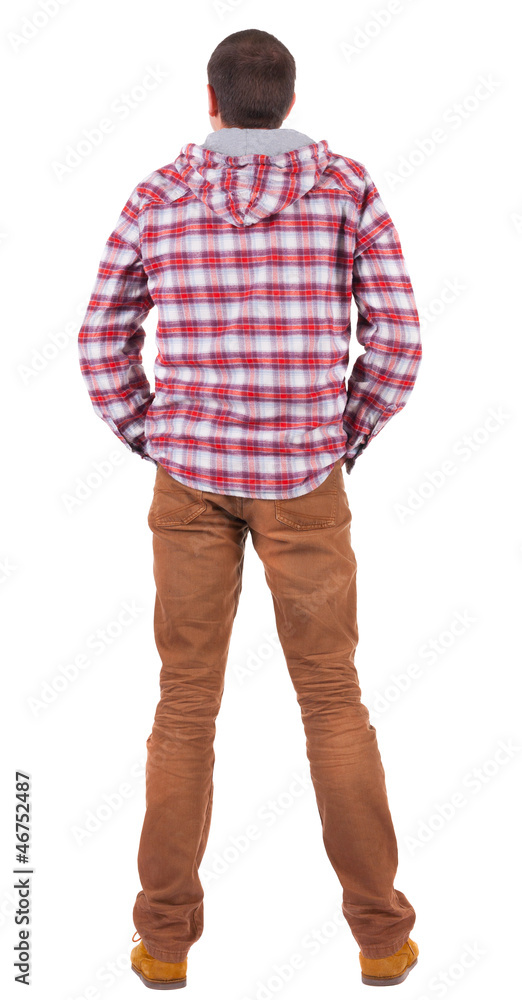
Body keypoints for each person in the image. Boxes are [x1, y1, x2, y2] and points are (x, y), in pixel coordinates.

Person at [78, 27, 422, 991]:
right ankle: (382, 940)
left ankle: (164, 946)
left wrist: (154, 434)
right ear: (290, 101)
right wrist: (340, 435)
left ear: (212, 100)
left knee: (184, 705)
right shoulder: (346, 189)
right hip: (305, 479)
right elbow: (398, 341)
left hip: (190, 479)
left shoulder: (158, 194)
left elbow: (101, 340)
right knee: (335, 701)